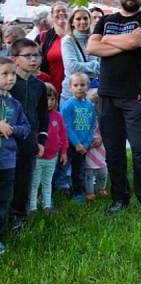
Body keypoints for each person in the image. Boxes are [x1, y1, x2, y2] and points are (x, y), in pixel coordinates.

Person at [87, 0, 141, 215]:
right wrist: (126, 41)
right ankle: (120, 198)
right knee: (114, 150)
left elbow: (136, 42)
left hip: (136, 96)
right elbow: (92, 47)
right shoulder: (107, 20)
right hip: (107, 95)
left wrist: (109, 40)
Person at [10, 38, 48, 231]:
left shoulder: (39, 86)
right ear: (14, 59)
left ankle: (19, 217)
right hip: (7, 140)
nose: (34, 59)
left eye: (37, 55)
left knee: (24, 179)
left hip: (28, 140)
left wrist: (41, 140)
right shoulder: (7, 84)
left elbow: (43, 115)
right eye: (28, 56)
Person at [0, 57, 31, 253]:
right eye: (5, 74)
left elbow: (26, 128)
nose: (11, 78)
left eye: (13, 73)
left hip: (6, 162)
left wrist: (12, 129)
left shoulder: (15, 104)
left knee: (2, 201)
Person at [29, 83, 68, 212]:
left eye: (53, 99)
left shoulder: (58, 116)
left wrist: (63, 152)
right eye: (47, 99)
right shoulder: (36, 116)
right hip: (38, 156)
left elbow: (63, 135)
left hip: (53, 157)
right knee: (34, 183)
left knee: (47, 181)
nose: (50, 102)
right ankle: (32, 207)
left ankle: (47, 205)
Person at [61, 73, 97, 203]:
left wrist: (86, 144)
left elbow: (92, 126)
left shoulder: (89, 106)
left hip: (83, 146)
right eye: (76, 85)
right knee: (62, 169)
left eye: (82, 85)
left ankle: (78, 193)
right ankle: (51, 192)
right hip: (69, 145)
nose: (79, 88)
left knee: (79, 170)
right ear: (70, 87)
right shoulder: (68, 105)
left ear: (88, 86)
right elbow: (66, 126)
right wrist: (76, 143)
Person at [60, 7, 100, 103]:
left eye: (85, 18)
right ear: (72, 22)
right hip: (71, 95)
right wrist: (94, 65)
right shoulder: (68, 40)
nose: (82, 22)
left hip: (92, 93)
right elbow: (72, 67)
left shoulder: (94, 39)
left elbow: (102, 66)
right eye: (78, 19)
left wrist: (86, 67)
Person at [39, 2, 69, 96]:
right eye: (57, 11)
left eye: (64, 11)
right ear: (52, 16)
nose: (61, 13)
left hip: (75, 90)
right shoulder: (43, 37)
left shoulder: (77, 36)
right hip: (51, 91)